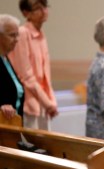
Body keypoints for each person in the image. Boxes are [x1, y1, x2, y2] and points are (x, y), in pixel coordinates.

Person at [8, 0, 57, 130]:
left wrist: (50, 101)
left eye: (45, 7)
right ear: (26, 13)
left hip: (43, 103)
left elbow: (45, 75)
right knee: (32, 146)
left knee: (47, 147)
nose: (44, 11)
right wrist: (48, 103)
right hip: (29, 103)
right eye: (38, 8)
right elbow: (26, 75)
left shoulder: (41, 34)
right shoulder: (23, 33)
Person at [0, 14, 24, 121]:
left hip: (12, 126)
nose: (16, 40)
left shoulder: (6, 59)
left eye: (17, 35)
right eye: (12, 35)